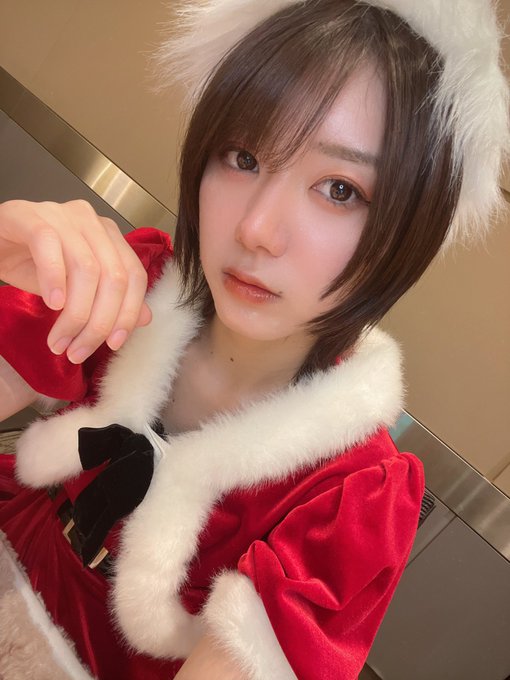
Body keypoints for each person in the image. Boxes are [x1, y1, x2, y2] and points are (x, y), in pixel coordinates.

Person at [0, 1, 507, 678]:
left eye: (339, 189)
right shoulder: (135, 282)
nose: (258, 229)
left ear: (404, 234)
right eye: (243, 156)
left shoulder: (350, 497)